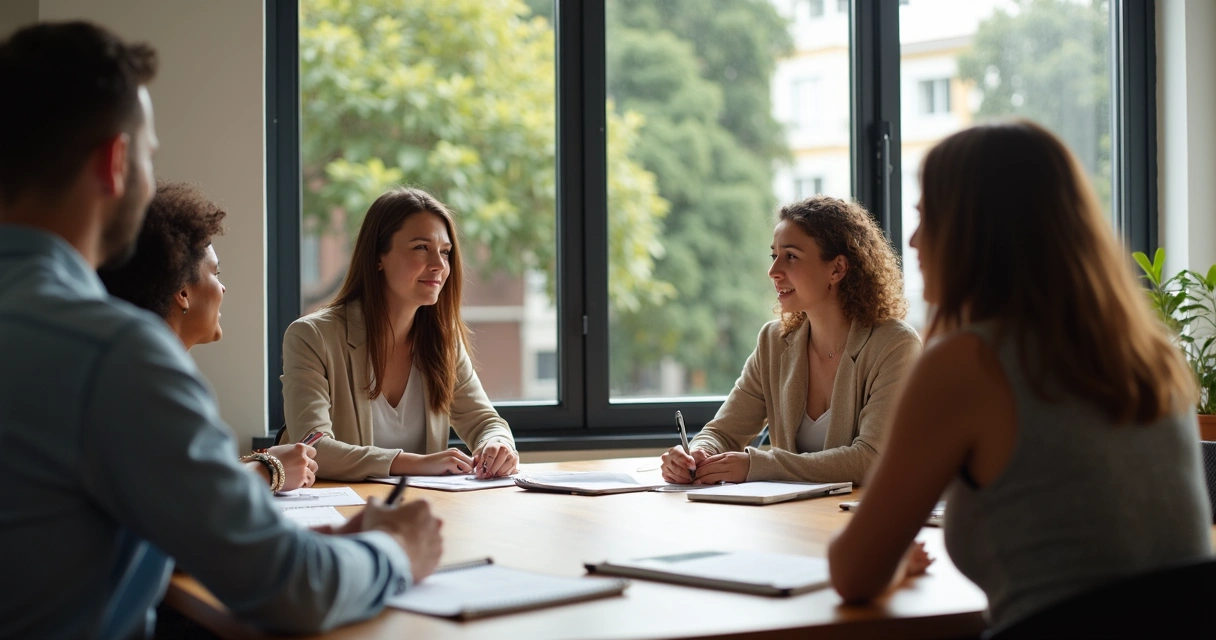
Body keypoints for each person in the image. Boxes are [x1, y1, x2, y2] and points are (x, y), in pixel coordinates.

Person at [0, 22, 442, 638]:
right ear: (116, 163)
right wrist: (394, 551)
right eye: (150, 156)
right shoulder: (113, 353)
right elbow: (291, 590)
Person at [827, 121, 1213, 632]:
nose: (915, 240)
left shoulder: (969, 362)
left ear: (978, 229)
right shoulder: (1150, 353)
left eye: (927, 217)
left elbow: (853, 573)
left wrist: (896, 562)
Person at [660, 196, 920, 485]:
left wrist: (757, 465)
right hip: (791, 521)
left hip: (862, 520)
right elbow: (723, 432)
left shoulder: (894, 345)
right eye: (774, 256)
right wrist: (697, 454)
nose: (773, 271)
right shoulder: (773, 341)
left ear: (837, 269)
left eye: (791, 256)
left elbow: (870, 459)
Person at [282, 187, 519, 481]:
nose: (439, 265)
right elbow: (313, 448)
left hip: (420, 510)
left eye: (445, 252)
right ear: (378, 257)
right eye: (421, 247)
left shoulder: (442, 341)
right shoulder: (311, 336)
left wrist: (497, 445)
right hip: (341, 511)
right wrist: (415, 463)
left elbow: (485, 421)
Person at [100, 181, 318, 491]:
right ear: (184, 292)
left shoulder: (133, 367)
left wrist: (262, 463)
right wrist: (270, 470)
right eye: (215, 274)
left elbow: (175, 472)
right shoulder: (154, 383)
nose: (222, 288)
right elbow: (181, 494)